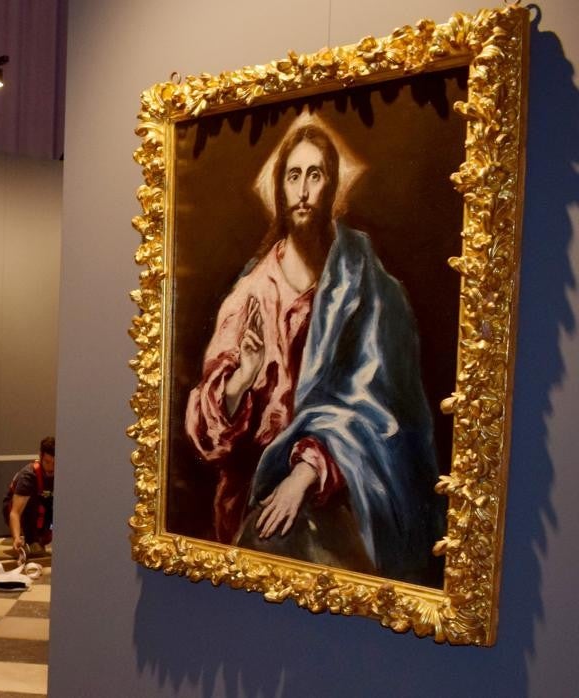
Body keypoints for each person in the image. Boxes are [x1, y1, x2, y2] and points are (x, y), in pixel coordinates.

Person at [184, 117, 444, 585]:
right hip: (256, 493)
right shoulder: (251, 293)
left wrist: (306, 472)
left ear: (332, 186)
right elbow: (205, 434)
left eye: (316, 174)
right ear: (281, 189)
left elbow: (381, 408)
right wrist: (241, 379)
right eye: (293, 175)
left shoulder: (368, 284)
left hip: (347, 482)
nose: (304, 190)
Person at [2, 436, 55, 556]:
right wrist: (16, 538)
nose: (51, 468)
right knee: (34, 545)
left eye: (54, 463)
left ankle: (40, 537)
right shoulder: (29, 476)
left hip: (44, 504)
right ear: (40, 456)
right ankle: (32, 539)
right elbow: (15, 512)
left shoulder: (62, 472)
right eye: (47, 462)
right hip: (19, 508)